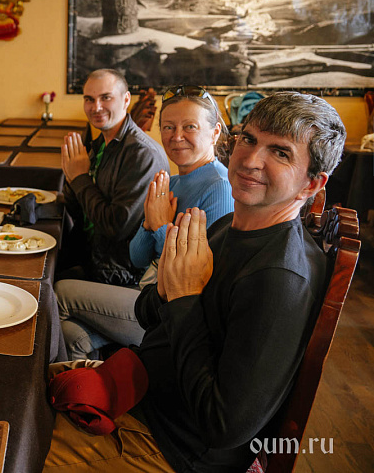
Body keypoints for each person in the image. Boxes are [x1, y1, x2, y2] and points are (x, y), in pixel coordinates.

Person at [44, 91, 346, 472]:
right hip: (136, 389)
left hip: (168, 448)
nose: (250, 160)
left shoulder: (280, 278)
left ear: (311, 184)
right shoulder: (226, 226)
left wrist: (183, 298)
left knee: (8, 444)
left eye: (281, 153)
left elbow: (223, 426)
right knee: (23, 376)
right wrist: (170, 290)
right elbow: (148, 312)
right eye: (249, 139)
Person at [56, 86, 235, 359]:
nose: (176, 137)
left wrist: (161, 226)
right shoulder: (173, 182)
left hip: (177, 315)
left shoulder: (219, 187)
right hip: (148, 294)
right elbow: (137, 256)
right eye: (168, 127)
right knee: (71, 334)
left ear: (215, 132)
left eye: (190, 127)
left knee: (60, 290)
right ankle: (96, 386)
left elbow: (196, 280)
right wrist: (150, 223)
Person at [60, 69, 169, 285]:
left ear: (126, 99)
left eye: (106, 98)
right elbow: (78, 210)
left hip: (118, 274)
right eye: (89, 99)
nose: (96, 107)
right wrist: (71, 177)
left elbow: (115, 227)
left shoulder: (142, 154)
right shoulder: (102, 143)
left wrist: (80, 178)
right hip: (88, 255)